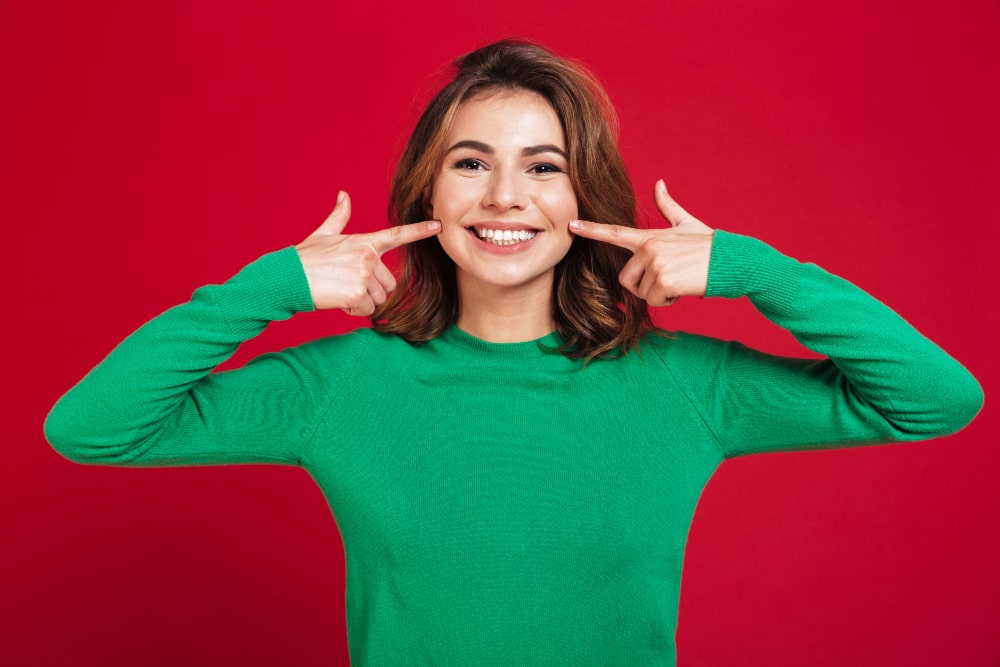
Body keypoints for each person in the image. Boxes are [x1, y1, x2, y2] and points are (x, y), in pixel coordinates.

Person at [44, 39, 983, 666]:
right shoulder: (338, 385)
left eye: (543, 165)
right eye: (470, 161)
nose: (504, 195)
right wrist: (272, 286)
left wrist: (754, 268)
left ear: (587, 195)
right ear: (430, 189)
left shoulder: (684, 385)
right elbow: (89, 429)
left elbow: (937, 398)